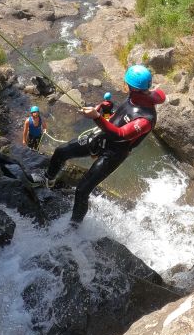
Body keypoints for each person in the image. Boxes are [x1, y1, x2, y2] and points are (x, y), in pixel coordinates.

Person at [36, 65, 166, 225]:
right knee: (61, 151)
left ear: (131, 86)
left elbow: (121, 134)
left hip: (113, 153)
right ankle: (48, 179)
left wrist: (97, 117)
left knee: (82, 190)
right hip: (101, 137)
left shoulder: (145, 119)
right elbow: (120, 117)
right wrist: (106, 111)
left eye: (125, 82)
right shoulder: (135, 97)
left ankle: (74, 225)